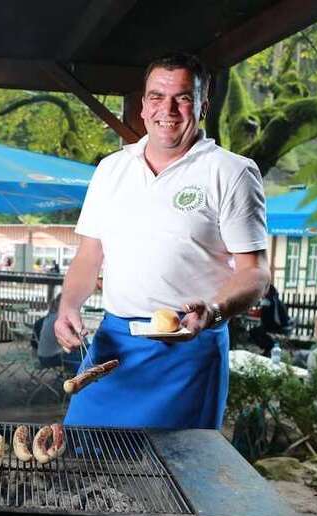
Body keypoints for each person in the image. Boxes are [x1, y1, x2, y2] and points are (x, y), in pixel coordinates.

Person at [54, 53, 269, 430]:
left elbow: (255, 273)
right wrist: (68, 306)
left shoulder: (232, 171)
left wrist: (214, 310)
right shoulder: (111, 169)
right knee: (82, 449)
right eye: (156, 97)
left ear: (202, 106)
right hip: (113, 345)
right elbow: (89, 256)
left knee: (177, 462)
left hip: (189, 350)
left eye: (182, 98)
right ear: (143, 105)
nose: (167, 110)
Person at [37, 294, 82, 373]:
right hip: (51, 358)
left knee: (80, 354)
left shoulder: (51, 316)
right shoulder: (61, 320)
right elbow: (78, 342)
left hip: (42, 356)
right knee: (87, 355)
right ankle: (81, 376)